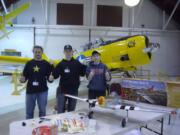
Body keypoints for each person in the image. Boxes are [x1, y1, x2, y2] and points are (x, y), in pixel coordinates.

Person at [20, 45, 54, 119]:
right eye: (36, 52)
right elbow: (24, 76)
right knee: (29, 113)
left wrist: (51, 79)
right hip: (30, 91)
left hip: (42, 91)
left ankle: (42, 127)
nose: (37, 53)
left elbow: (49, 78)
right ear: (33, 52)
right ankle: (28, 128)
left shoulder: (46, 64)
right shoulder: (29, 63)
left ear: (42, 53)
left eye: (39, 52)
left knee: (42, 112)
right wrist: (22, 79)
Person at [51, 44, 86, 113]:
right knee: (60, 111)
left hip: (73, 91)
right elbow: (55, 75)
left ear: (72, 52)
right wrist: (52, 66)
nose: (68, 53)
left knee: (71, 111)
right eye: (66, 51)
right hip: (62, 91)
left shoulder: (77, 63)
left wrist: (84, 65)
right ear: (64, 52)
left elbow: (82, 73)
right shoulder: (61, 64)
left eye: (69, 51)